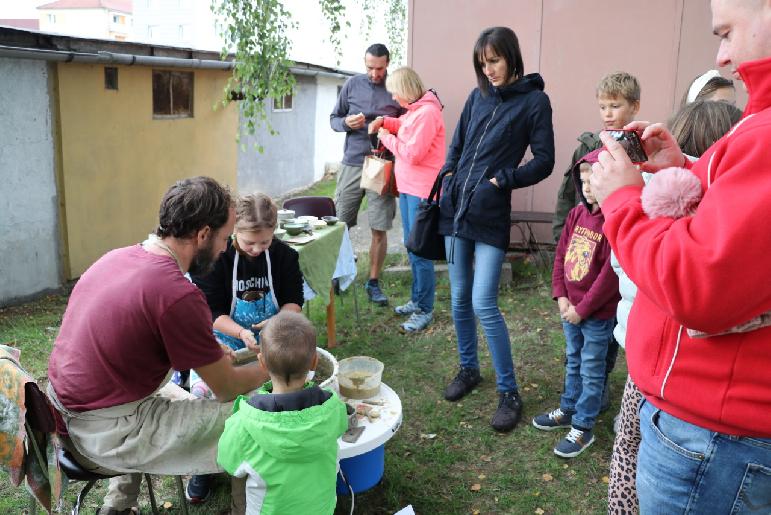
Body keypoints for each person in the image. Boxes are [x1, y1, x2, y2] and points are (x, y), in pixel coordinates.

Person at [591, 1, 771, 511]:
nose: (720, 56)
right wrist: (686, 168)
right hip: (716, 432)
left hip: (714, 442)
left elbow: (699, 285)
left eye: (727, 32)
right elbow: (738, 224)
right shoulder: (757, 123)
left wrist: (621, 201)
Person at [46, 177, 269, 515]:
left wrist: (205, 352)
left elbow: (134, 340)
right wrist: (272, 366)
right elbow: (227, 388)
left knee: (176, 397)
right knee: (251, 417)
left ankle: (117, 508)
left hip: (62, 412)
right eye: (225, 238)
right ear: (203, 234)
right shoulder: (177, 293)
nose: (226, 248)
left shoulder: (117, 257)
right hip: (100, 435)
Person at [606, 98, 741, 513]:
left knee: (630, 453)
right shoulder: (676, 206)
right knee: (630, 447)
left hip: (682, 391)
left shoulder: (669, 219)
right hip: (651, 367)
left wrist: (625, 205)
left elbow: (673, 280)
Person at [438, 26, 555, 432]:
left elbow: (544, 161)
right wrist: (450, 174)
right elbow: (457, 143)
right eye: (482, 63)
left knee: (483, 302)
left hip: (489, 214)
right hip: (455, 213)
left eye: (494, 61)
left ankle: (509, 391)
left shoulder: (535, 102)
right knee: (458, 299)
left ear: (511, 56)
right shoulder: (477, 96)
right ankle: (469, 369)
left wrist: (502, 180)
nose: (488, 70)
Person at [185, 192, 303, 502]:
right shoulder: (217, 260)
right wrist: (241, 332)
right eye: (249, 242)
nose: (256, 249)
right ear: (234, 230)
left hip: (272, 342)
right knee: (214, 402)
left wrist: (278, 325)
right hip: (225, 343)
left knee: (275, 399)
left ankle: (269, 460)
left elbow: (294, 301)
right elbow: (211, 313)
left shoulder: (285, 257)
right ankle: (206, 467)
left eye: (264, 242)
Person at [533, 149, 620, 458]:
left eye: (592, 180)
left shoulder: (613, 222)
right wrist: (561, 296)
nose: (586, 187)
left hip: (596, 315)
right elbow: (561, 256)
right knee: (573, 361)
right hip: (569, 310)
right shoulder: (575, 215)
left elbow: (610, 275)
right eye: (581, 180)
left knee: (592, 370)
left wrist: (583, 310)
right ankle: (569, 409)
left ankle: (583, 428)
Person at [217, 311, 348, 515]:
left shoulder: (243, 423)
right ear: (314, 362)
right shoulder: (334, 409)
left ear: (261, 362)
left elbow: (227, 461)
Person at [368, 66, 446, 332]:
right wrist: (386, 122)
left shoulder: (427, 113)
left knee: (420, 251)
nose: (394, 100)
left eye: (396, 94)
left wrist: (387, 138)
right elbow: (405, 126)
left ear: (407, 91)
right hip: (410, 189)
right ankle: (417, 299)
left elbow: (412, 153)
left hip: (422, 192)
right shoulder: (416, 111)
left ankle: (425, 309)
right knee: (412, 246)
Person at [330, 43, 402, 306]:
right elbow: (334, 119)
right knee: (339, 224)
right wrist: (345, 123)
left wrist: (386, 125)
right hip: (352, 163)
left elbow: (407, 126)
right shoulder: (352, 84)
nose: (374, 74)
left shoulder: (396, 88)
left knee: (379, 226)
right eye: (370, 68)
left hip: (381, 163)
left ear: (388, 64)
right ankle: (338, 274)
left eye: (380, 68)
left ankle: (373, 282)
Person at [551, 72, 640, 244]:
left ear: (634, 107)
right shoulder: (587, 146)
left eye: (614, 106)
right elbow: (567, 193)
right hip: (585, 238)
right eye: (602, 107)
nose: (607, 114)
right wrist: (561, 237)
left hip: (623, 239)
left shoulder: (643, 150)